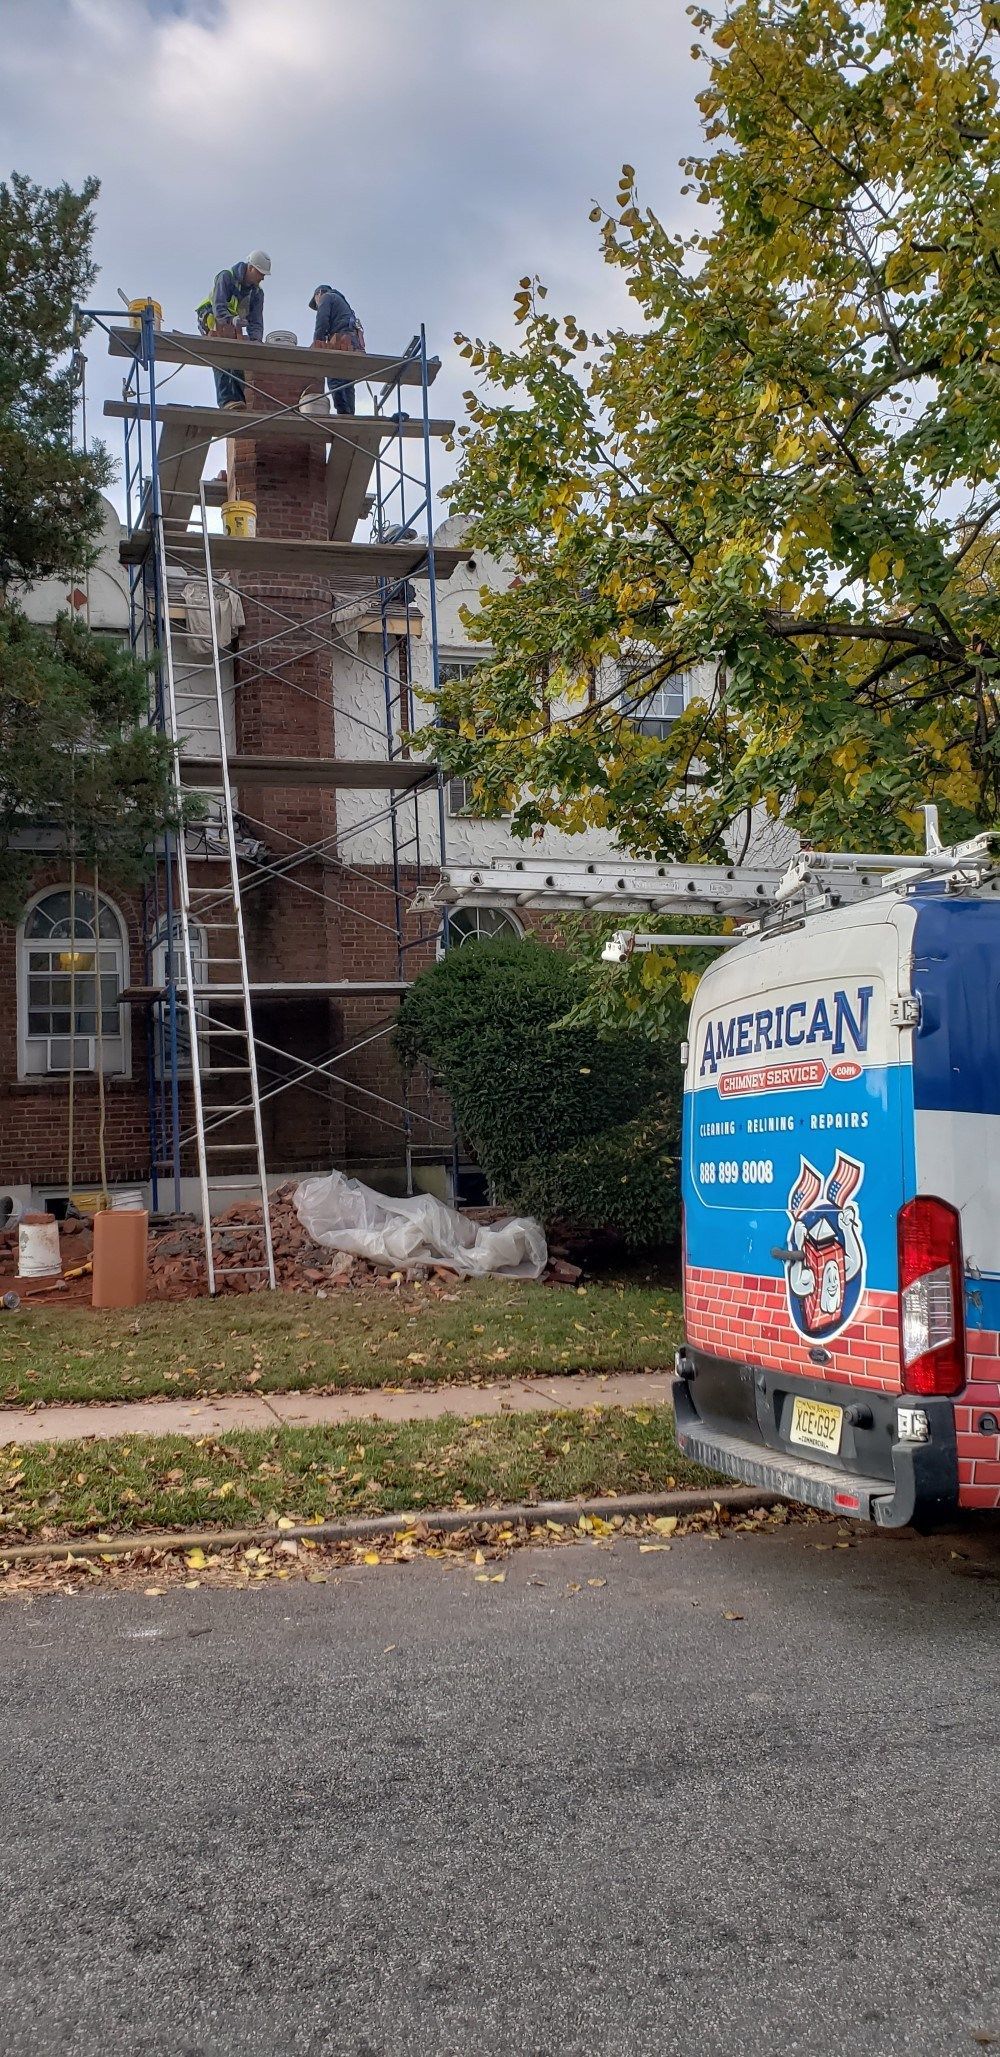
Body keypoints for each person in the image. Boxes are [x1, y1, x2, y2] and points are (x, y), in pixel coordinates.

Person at [196, 251, 272, 411]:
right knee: (221, 353)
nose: (263, 278)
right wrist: (231, 320)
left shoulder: (257, 293)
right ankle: (226, 400)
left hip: (233, 325)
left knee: (238, 354)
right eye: (261, 273)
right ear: (251, 268)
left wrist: (256, 340)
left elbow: (256, 320)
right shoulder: (226, 277)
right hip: (211, 317)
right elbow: (218, 305)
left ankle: (237, 400)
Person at [308, 283, 365, 416]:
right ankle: (349, 416)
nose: (318, 306)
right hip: (352, 342)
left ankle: (343, 413)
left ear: (318, 294)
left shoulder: (326, 297)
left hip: (342, 340)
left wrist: (318, 342)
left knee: (334, 377)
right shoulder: (343, 303)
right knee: (347, 382)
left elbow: (322, 321)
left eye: (317, 304)